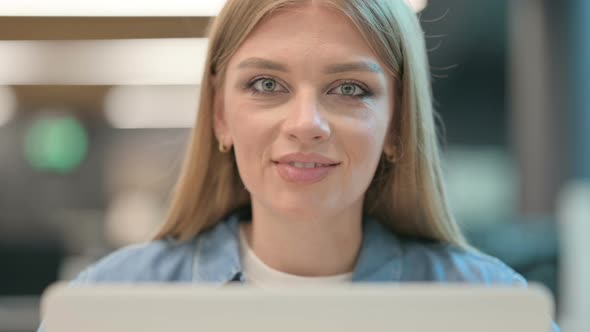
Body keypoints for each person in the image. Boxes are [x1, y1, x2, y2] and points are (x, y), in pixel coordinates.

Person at [42, 0, 559, 330]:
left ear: (397, 127)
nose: (307, 123)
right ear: (221, 116)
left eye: (350, 89)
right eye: (267, 85)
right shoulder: (108, 306)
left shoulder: (492, 309)